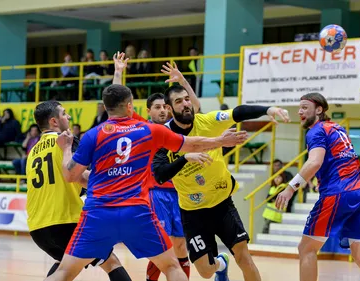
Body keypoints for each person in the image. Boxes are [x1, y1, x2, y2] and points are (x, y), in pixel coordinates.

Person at [44, 82, 248, 281]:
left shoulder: (93, 135)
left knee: (64, 272)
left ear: (105, 108)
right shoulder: (149, 130)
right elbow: (191, 144)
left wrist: (66, 149)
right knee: (171, 266)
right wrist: (220, 141)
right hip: (137, 213)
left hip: (98, 214)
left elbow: (70, 176)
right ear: (130, 105)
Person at [151, 85, 290, 281]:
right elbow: (160, 175)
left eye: (186, 99)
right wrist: (185, 159)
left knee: (243, 256)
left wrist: (269, 110)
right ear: (170, 108)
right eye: (178, 101)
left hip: (222, 204)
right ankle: (221, 264)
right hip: (193, 212)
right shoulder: (163, 136)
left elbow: (237, 112)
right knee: (206, 272)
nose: (185, 104)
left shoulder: (208, 121)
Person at [275, 93, 360, 281]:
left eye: (305, 107)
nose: (300, 111)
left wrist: (291, 187)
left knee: (306, 248)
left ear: (319, 110)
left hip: (338, 193)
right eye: (299, 108)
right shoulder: (336, 128)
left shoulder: (316, 131)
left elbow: (315, 162)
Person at [26, 101, 132, 281]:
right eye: (64, 113)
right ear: (54, 121)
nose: (68, 117)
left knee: (64, 267)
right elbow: (81, 178)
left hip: (37, 226)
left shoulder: (33, 151)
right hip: (65, 220)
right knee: (111, 262)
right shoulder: (66, 141)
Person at [143, 60, 202, 281]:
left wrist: (182, 81)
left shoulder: (176, 126)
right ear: (149, 111)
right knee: (162, 242)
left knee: (180, 243)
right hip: (158, 192)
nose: (162, 110)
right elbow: (119, 111)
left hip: (181, 191)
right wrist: (119, 73)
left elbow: (195, 106)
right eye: (157, 107)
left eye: (164, 106)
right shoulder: (147, 129)